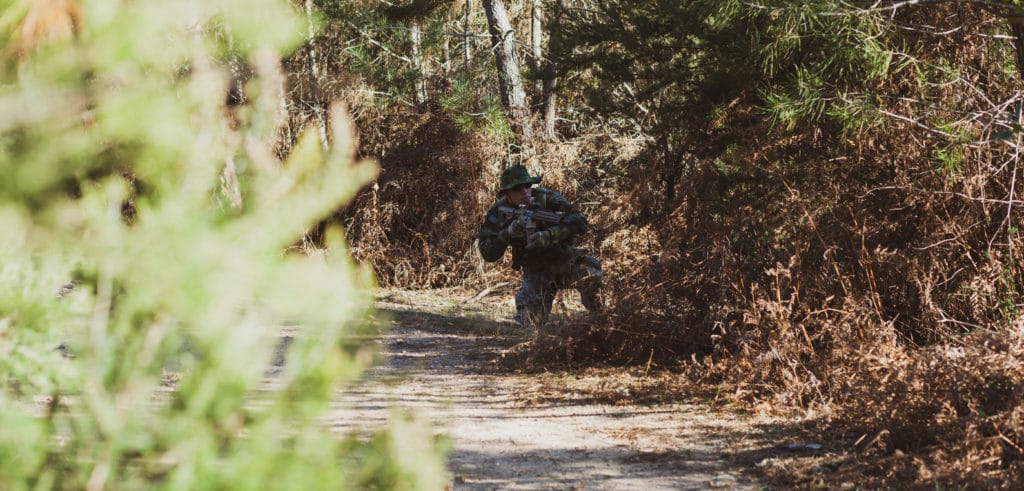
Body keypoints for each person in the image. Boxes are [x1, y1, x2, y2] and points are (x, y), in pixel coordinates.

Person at [477, 164, 602, 327]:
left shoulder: (548, 199)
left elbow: (580, 222)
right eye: (517, 188)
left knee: (592, 274)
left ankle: (600, 320)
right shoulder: (499, 211)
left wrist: (549, 235)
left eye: (527, 185)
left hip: (567, 262)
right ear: (507, 194)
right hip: (537, 272)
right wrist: (507, 233)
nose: (524, 191)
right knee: (529, 324)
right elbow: (488, 252)